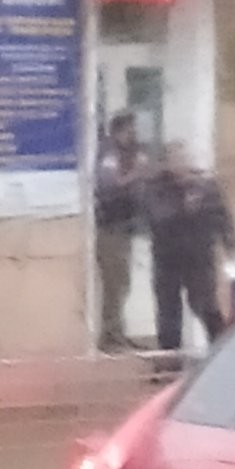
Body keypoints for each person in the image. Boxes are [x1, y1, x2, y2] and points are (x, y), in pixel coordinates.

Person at [145, 142, 235, 356]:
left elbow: (222, 217)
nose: (181, 164)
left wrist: (231, 246)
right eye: (175, 159)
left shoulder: (205, 185)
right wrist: (184, 208)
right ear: (167, 164)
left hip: (199, 257)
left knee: (206, 306)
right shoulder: (155, 187)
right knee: (169, 312)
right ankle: (169, 360)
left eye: (183, 158)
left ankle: (222, 354)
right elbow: (157, 217)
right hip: (168, 259)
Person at [95, 110, 147, 352]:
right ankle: (110, 337)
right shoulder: (109, 153)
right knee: (114, 284)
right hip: (110, 229)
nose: (134, 134)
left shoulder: (129, 153)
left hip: (125, 227)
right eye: (130, 129)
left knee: (122, 282)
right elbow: (109, 186)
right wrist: (137, 173)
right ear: (118, 131)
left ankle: (118, 332)